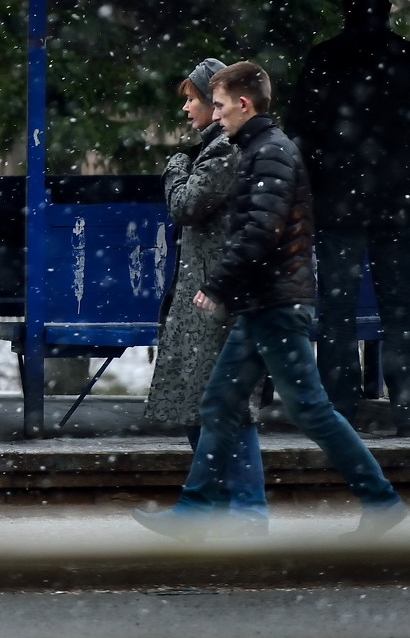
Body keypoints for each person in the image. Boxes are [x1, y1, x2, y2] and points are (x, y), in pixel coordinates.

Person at [132, 61, 407, 542]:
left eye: (218, 106)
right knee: (218, 404)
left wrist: (217, 284)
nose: (214, 116)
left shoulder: (272, 153)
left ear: (244, 104)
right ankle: (199, 510)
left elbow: (261, 229)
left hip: (277, 306)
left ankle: (380, 500)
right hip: (262, 304)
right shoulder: (258, 149)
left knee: (311, 411)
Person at [143, 58, 269, 536]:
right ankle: (218, 511)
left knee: (225, 406)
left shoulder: (221, 154)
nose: (191, 111)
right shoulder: (216, 150)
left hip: (218, 298)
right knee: (207, 404)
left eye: (194, 101)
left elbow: (186, 207)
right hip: (207, 294)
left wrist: (175, 167)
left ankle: (240, 513)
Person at [285, 0, 410, 436]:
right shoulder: (403, 58)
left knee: (336, 313)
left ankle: (338, 410)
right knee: (401, 311)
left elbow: (301, 132)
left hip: (339, 205)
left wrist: (316, 187)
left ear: (346, 7)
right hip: (397, 204)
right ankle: (406, 409)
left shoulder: (325, 59)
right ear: (388, 8)